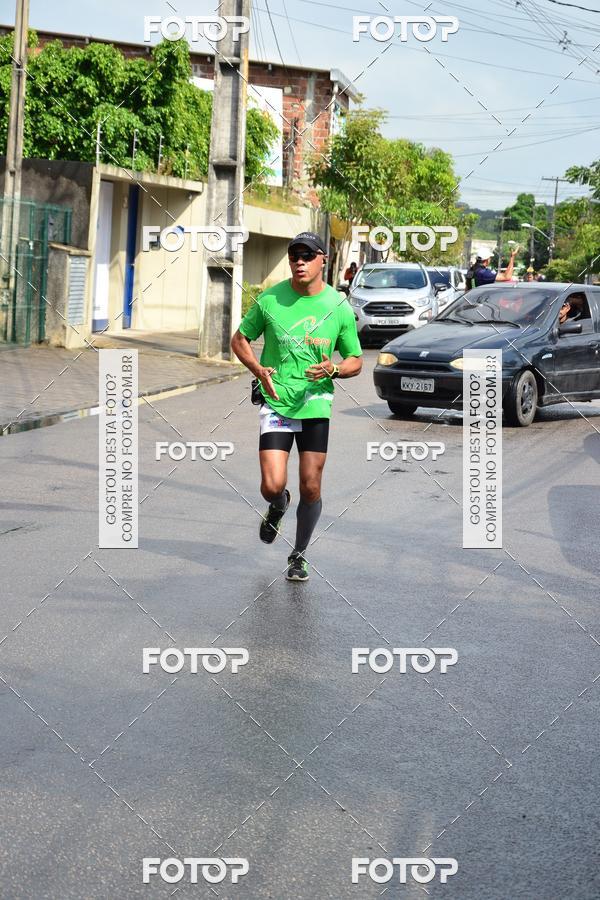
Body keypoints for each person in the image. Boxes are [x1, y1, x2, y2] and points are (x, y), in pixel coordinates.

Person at [231, 232, 363, 582]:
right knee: (272, 485)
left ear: (324, 260)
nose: (299, 262)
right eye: (293, 256)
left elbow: (355, 359)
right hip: (276, 401)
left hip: (316, 403)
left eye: (307, 256)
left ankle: (299, 554)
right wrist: (257, 369)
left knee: (311, 486)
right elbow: (239, 339)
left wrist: (334, 369)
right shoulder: (270, 300)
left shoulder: (338, 307)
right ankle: (277, 505)